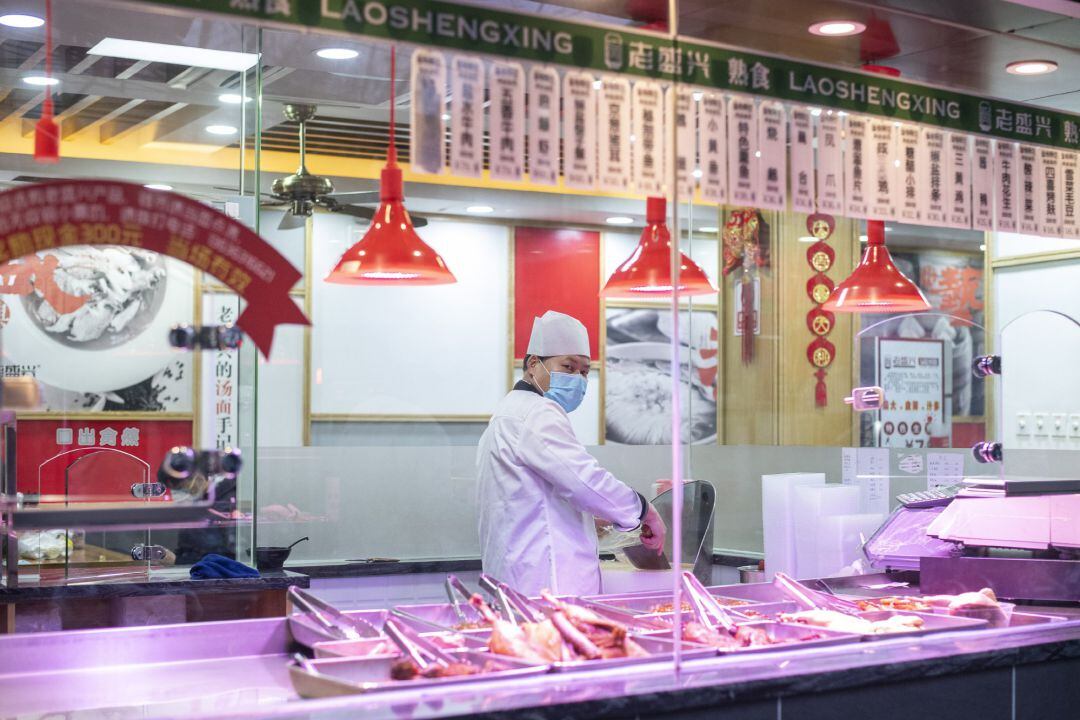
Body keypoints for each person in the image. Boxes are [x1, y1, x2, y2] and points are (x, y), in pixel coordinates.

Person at [476, 310, 666, 596]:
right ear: (533, 364)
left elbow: (533, 499)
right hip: (548, 584)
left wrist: (590, 518)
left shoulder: (508, 412)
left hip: (520, 578)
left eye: (585, 371)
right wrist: (643, 510)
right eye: (568, 366)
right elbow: (584, 481)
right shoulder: (536, 412)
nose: (578, 378)